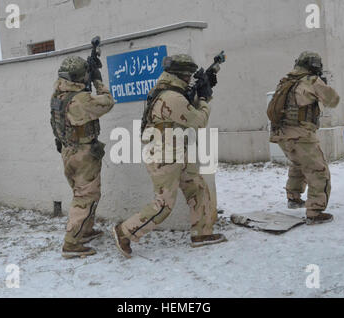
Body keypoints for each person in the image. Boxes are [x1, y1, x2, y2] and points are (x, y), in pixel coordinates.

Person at [112, 54, 227, 258]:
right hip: (165, 156)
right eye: (189, 75)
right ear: (181, 74)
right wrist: (204, 99)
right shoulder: (171, 97)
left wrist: (205, 89)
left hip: (177, 151)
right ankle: (125, 231)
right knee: (163, 205)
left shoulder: (170, 92)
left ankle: (201, 233)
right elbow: (198, 120)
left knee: (197, 188)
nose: (190, 79)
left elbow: (184, 111)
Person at [50, 56, 115, 258]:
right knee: (85, 197)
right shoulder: (80, 100)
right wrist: (97, 80)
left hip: (67, 152)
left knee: (84, 195)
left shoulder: (58, 94)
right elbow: (107, 102)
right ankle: (71, 244)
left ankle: (85, 231)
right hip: (83, 154)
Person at [269, 51, 340, 225]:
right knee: (318, 171)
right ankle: (315, 211)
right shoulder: (312, 81)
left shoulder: (286, 81)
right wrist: (323, 84)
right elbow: (334, 100)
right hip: (301, 134)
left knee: (298, 164)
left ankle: (293, 197)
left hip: (281, 134)